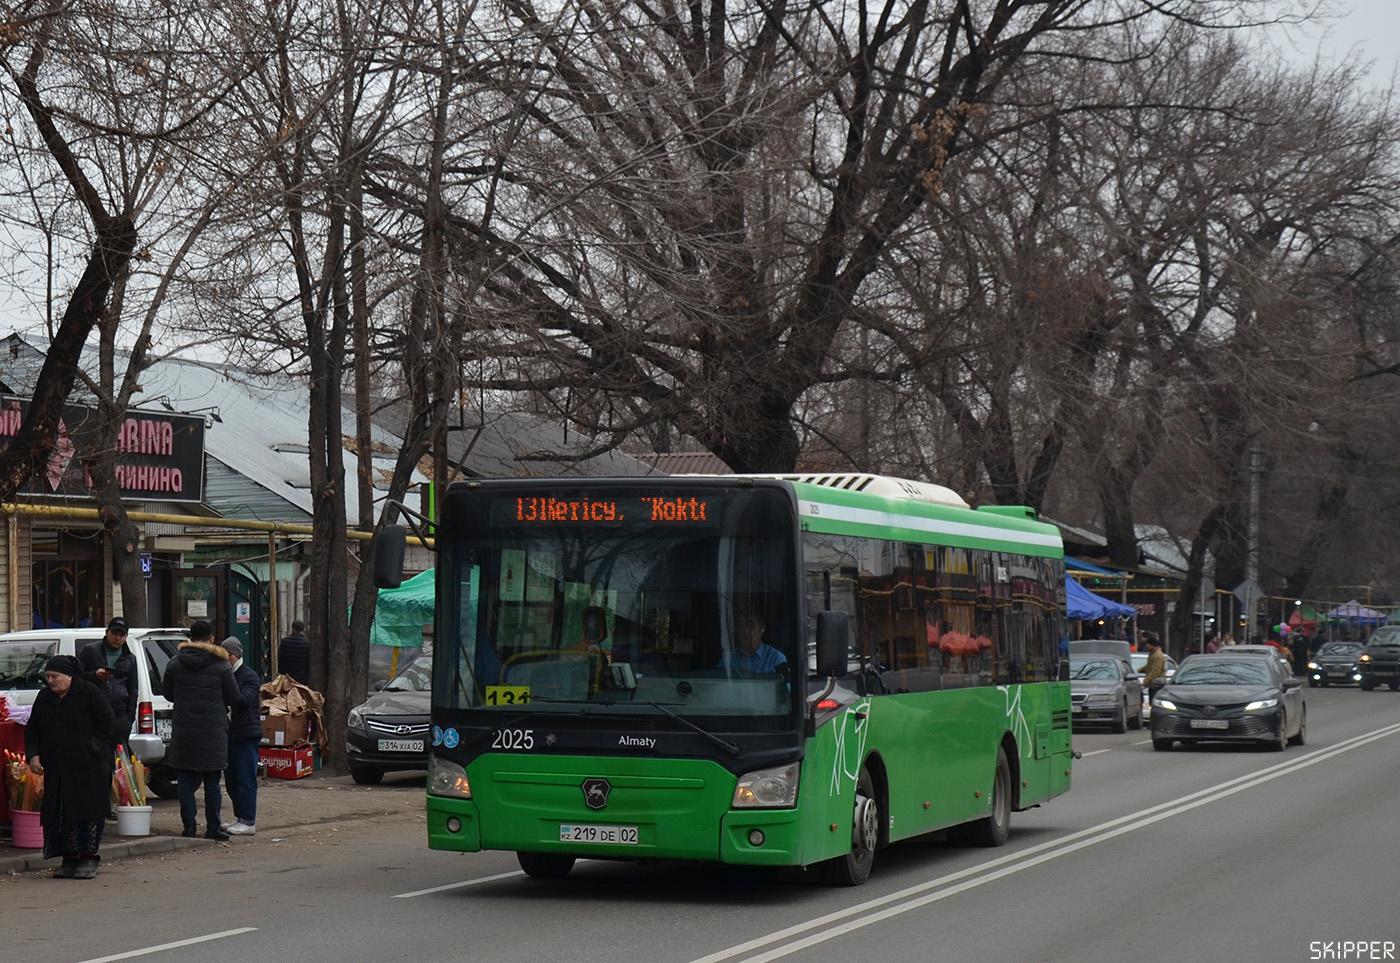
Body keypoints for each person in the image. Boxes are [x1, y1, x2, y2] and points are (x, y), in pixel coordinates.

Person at [24, 655, 116, 878]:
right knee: (61, 812)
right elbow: (32, 730)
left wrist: (92, 749)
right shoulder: (45, 697)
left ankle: (88, 857)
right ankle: (69, 858)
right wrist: (34, 756)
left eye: (54, 676)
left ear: (69, 676)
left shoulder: (88, 692)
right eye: (47, 677)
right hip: (57, 767)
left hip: (89, 767)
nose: (51, 681)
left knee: (87, 810)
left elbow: (108, 722)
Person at [163, 620, 239, 841]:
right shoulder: (221, 665)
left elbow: (168, 693)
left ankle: (189, 826)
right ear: (212, 639)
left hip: (184, 731)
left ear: (190, 639)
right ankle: (213, 828)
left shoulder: (175, 663)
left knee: (185, 781)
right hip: (213, 732)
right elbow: (233, 697)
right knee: (212, 783)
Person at [77, 617, 138, 751]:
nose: (117, 638)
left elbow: (133, 689)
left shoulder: (130, 659)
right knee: (93, 756)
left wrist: (129, 718)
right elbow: (75, 677)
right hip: (92, 716)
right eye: (114, 633)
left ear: (126, 636)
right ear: (107, 632)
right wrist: (94, 675)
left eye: (121, 635)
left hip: (119, 717)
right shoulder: (90, 650)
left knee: (118, 761)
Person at [222, 638, 261, 836]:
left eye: (225, 656)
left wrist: (228, 692)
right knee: (231, 779)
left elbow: (244, 699)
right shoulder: (229, 675)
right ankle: (240, 817)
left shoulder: (249, 676)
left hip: (246, 733)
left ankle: (248, 820)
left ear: (233, 655)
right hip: (231, 734)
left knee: (246, 779)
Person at [717, 612, 787, 674]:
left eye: (750, 625)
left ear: (762, 628)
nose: (746, 630)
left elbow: (786, 686)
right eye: (741, 626)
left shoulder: (776, 659)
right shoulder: (727, 660)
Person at [278, 619, 311, 686]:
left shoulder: (285, 641)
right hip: (302, 677)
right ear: (303, 630)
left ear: (292, 629)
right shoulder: (307, 643)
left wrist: (282, 672)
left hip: (288, 677)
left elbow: (281, 658)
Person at [1140, 636, 1167, 701]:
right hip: (1153, 684)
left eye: (1148, 644)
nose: (1146, 646)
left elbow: (1155, 671)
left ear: (1153, 644)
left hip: (1157, 685)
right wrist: (1142, 669)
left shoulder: (1157, 656)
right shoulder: (1153, 654)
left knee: (1154, 703)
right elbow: (1150, 665)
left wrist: (1146, 680)